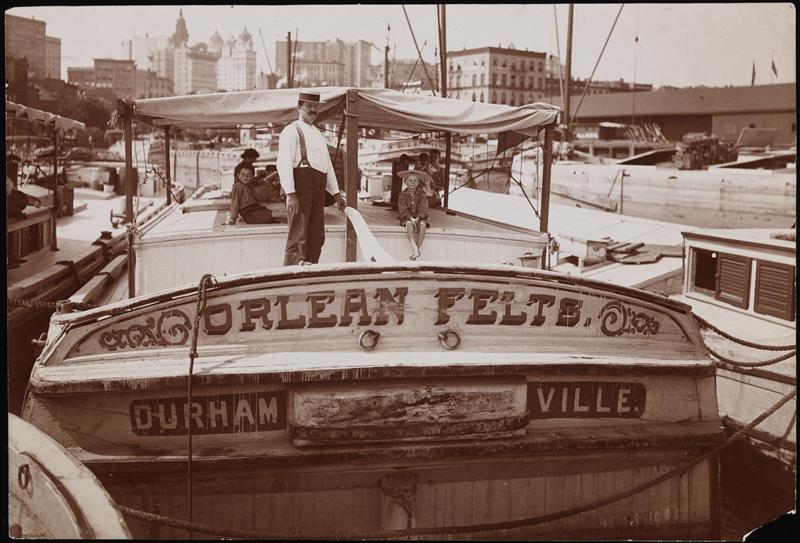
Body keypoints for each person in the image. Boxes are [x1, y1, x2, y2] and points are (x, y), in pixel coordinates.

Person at [277, 92, 346, 265]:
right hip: (301, 186)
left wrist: (336, 193)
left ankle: (311, 264)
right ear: (299, 107)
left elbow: (327, 166)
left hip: (318, 186)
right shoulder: (291, 131)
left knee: (317, 234)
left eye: (316, 106)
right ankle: (293, 266)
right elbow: (283, 163)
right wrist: (290, 194)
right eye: (309, 106)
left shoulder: (318, 134)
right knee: (298, 232)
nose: (313, 110)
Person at [397, 170, 431, 261]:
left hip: (420, 217)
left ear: (418, 183)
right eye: (410, 181)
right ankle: (415, 248)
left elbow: (423, 208)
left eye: (415, 181)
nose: (413, 183)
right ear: (405, 182)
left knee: (423, 225)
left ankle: (417, 249)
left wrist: (418, 217)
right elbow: (403, 210)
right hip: (407, 218)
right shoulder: (402, 195)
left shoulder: (422, 194)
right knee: (409, 225)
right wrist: (411, 218)